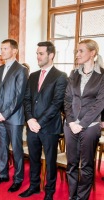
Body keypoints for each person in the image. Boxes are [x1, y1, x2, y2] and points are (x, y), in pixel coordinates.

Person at [20, 41, 67, 200]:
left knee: (50, 161)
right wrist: (30, 119)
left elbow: (57, 103)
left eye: (41, 53)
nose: (38, 56)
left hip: (49, 127)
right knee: (33, 159)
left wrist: (39, 122)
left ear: (51, 55)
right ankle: (34, 186)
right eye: (37, 53)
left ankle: (49, 191)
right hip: (32, 126)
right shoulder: (33, 75)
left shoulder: (60, 76)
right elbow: (26, 100)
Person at [64, 39, 104, 200]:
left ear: (92, 53)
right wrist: (72, 121)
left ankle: (81, 198)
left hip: (90, 126)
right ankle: (72, 196)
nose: (77, 54)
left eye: (81, 51)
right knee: (71, 164)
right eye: (76, 51)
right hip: (71, 125)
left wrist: (82, 124)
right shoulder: (73, 73)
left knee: (86, 166)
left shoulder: (102, 75)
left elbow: (100, 103)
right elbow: (67, 99)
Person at [0, 39, 28, 193]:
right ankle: (3, 174)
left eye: (5, 48)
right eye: (1, 48)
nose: (2, 51)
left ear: (14, 51)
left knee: (17, 149)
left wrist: (4, 114)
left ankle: (18, 179)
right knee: (2, 147)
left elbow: (19, 97)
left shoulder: (21, 70)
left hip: (13, 117)